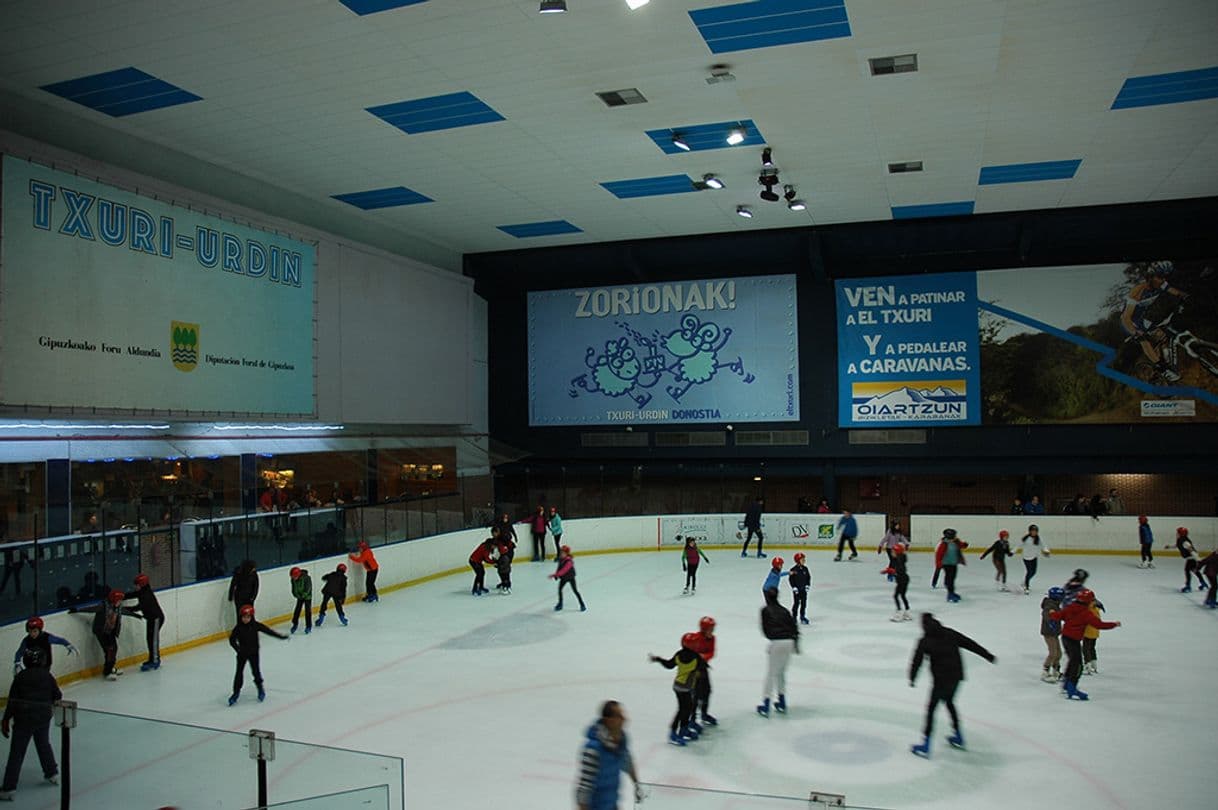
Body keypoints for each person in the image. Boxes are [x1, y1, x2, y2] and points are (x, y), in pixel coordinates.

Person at [908, 613, 995, 758]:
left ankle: (926, 745)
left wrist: (912, 678)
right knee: (949, 702)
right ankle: (958, 736)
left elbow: (917, 661)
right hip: (956, 677)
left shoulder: (925, 641)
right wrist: (988, 655)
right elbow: (970, 644)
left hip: (941, 680)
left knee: (931, 710)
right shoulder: (949, 633)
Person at [0, 648, 61, 801]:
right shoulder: (47, 676)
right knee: (43, 744)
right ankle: (52, 773)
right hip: (43, 717)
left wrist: (6, 719)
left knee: (17, 752)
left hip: (24, 720)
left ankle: (8, 788)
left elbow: (13, 701)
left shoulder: (21, 677)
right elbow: (58, 695)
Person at [1120, 260, 1188, 382]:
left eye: (1164, 277)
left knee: (1163, 336)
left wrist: (1184, 296)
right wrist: (1136, 333)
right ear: (1150, 277)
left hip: (1142, 319)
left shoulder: (1160, 284)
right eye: (1160, 277)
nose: (1162, 280)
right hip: (1128, 322)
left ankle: (1162, 361)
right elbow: (1126, 317)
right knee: (1144, 339)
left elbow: (1174, 291)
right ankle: (1163, 369)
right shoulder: (1137, 291)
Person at [1049, 589, 1120, 700]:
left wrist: (1052, 614)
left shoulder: (1071, 607)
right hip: (1074, 640)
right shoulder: (1086, 613)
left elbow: (1059, 615)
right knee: (1078, 665)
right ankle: (1072, 687)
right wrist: (1114, 624)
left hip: (1065, 638)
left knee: (1073, 661)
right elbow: (1099, 625)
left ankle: (1066, 684)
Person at [575, 700, 642, 810]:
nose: (624, 719)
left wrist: (636, 784)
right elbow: (584, 787)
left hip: (612, 805)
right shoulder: (593, 749)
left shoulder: (620, 741)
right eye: (619, 716)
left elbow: (627, 762)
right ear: (609, 720)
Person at [227, 604, 288, 705]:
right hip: (242, 654)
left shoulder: (255, 626)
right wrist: (238, 649)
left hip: (254, 653)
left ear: (251, 617)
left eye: (248, 617)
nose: (245, 619)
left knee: (256, 672)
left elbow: (268, 631)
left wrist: (280, 636)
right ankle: (236, 693)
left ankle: (260, 689)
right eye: (243, 617)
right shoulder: (238, 628)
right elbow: (232, 640)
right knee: (239, 673)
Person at [648, 639, 706, 745]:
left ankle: (683, 730)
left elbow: (669, 665)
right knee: (684, 710)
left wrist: (658, 659)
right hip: (686, 688)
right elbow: (702, 668)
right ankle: (674, 733)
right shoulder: (696, 657)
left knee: (685, 709)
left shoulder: (679, 654)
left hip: (678, 686)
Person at [68, 589, 135, 680]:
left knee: (113, 649)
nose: (120, 602)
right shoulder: (103, 606)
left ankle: (110, 668)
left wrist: (135, 615)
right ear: (114, 599)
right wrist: (77, 609)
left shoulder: (118, 607)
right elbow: (91, 609)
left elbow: (123, 611)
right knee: (110, 650)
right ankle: (107, 671)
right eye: (119, 600)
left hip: (110, 631)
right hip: (102, 632)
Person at [757, 587, 798, 717]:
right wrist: (796, 644)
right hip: (789, 642)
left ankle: (766, 703)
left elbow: (765, 629)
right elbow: (794, 627)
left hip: (777, 643)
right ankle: (782, 700)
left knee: (771, 673)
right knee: (781, 672)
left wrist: (773, 639)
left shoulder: (765, 610)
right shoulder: (784, 610)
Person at [124, 573, 165, 671]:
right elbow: (131, 595)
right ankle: (152, 659)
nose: (135, 587)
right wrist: (121, 596)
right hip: (151, 619)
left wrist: (126, 609)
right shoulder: (142, 591)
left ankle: (155, 660)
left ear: (141, 584)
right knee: (149, 639)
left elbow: (138, 607)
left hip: (156, 619)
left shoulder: (146, 595)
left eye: (136, 585)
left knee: (153, 640)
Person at [683, 617, 717, 726]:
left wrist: (703, 657)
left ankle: (704, 713)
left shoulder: (712, 638)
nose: (713, 630)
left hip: (703, 668)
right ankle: (692, 719)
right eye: (711, 628)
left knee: (707, 691)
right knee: (696, 695)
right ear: (704, 628)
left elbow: (711, 652)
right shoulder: (695, 638)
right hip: (694, 671)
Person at [551, 545, 587, 612]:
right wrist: (556, 575)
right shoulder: (561, 559)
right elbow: (559, 568)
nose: (561, 554)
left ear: (567, 553)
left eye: (563, 553)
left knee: (575, 591)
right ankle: (560, 603)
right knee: (560, 589)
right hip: (563, 578)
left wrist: (555, 574)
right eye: (561, 552)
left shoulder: (569, 561)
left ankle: (582, 604)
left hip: (570, 577)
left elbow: (564, 570)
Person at [1171, 527, 1207, 593]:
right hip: (1190, 558)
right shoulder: (1181, 540)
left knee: (1187, 570)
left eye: (1178, 533)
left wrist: (1198, 559)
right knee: (1194, 570)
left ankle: (1188, 586)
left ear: (1181, 534)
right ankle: (1202, 582)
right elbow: (1177, 545)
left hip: (1192, 558)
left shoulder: (1185, 542)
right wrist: (1170, 547)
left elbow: (1192, 550)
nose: (1176, 534)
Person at [1039, 587, 1064, 683]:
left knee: (1059, 653)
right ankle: (1045, 672)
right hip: (1049, 632)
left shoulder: (1055, 605)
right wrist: (1050, 621)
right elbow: (1046, 614)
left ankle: (1056, 671)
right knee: (1053, 653)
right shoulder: (1050, 605)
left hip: (1055, 632)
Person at [882, 543, 912, 622]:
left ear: (897, 552)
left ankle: (899, 613)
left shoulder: (898, 560)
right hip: (904, 580)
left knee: (896, 596)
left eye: (893, 551)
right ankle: (907, 612)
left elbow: (900, 571)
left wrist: (891, 571)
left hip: (902, 580)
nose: (891, 553)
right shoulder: (900, 559)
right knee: (902, 596)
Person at [1018, 524, 1050, 594]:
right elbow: (1018, 545)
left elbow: (1043, 545)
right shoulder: (1025, 539)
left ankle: (1025, 581)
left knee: (1033, 572)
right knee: (1029, 571)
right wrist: (1012, 551)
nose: (1034, 532)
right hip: (1026, 558)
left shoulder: (1038, 539)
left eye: (1035, 531)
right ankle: (1026, 586)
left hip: (1034, 557)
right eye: (1032, 531)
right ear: (1029, 531)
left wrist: (1046, 551)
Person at [939, 529, 968, 603]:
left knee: (952, 577)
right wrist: (938, 563)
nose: (954, 536)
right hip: (946, 563)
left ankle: (951, 591)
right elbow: (939, 554)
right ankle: (950, 594)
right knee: (950, 578)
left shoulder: (956, 541)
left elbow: (961, 545)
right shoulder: (943, 543)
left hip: (954, 563)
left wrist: (964, 544)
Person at [289, 567, 313, 634]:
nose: (293, 578)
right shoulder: (293, 579)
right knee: (297, 610)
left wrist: (304, 595)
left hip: (307, 597)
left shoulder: (307, 578)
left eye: (294, 576)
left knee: (308, 611)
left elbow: (308, 588)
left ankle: (308, 626)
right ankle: (295, 623)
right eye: (292, 577)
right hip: (299, 596)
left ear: (298, 574)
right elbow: (293, 589)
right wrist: (296, 595)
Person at [789, 552, 811, 625]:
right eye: (802, 559)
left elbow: (808, 577)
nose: (804, 560)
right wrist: (794, 587)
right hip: (797, 591)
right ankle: (794, 617)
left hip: (803, 590)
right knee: (796, 604)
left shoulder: (805, 569)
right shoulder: (793, 569)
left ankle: (802, 616)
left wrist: (807, 585)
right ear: (798, 561)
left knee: (804, 604)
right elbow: (791, 579)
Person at [494, 526, 515, 594]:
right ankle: (505, 584)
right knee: (503, 571)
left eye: (494, 533)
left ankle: (506, 586)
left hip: (506, 556)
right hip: (505, 556)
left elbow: (502, 550)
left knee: (504, 571)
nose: (493, 535)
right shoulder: (499, 538)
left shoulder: (502, 538)